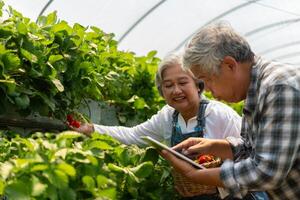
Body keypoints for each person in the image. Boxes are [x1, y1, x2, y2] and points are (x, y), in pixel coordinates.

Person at [70, 52, 242, 199]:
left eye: (183, 83)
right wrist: (92, 129)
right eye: (168, 85)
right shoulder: (167, 116)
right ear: (162, 91)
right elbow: (133, 135)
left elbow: (247, 157)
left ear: (198, 86)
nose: (176, 90)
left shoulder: (221, 115)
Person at [160, 22, 300, 200]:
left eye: (207, 80)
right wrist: (214, 146)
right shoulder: (256, 90)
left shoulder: (279, 87)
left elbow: (266, 172)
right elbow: (254, 149)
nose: (208, 90)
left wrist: (196, 175)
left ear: (229, 65)